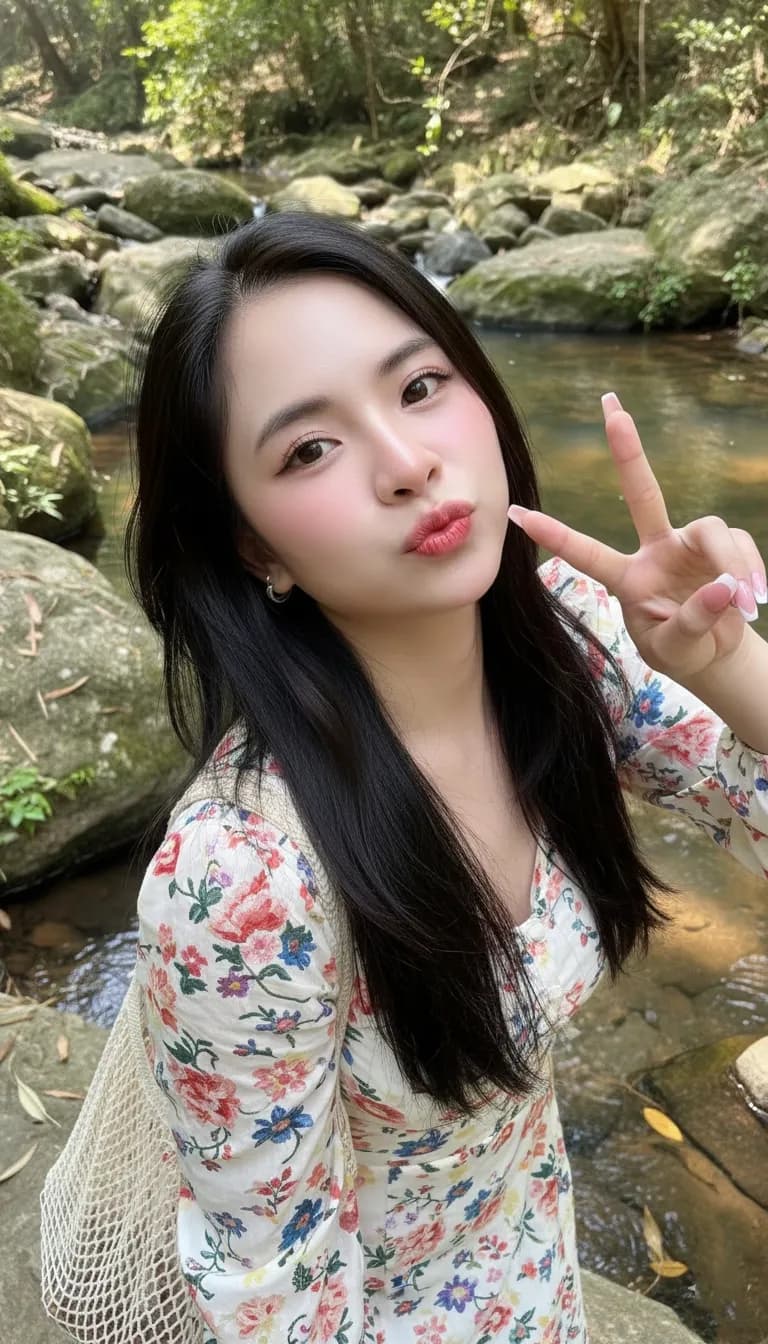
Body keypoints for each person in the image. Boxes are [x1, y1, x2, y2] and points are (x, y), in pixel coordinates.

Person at [127, 212, 768, 1344]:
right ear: (255, 547)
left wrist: (729, 667)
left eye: (420, 387)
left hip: (535, 1260)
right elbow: (273, 1288)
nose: (409, 464)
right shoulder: (242, 880)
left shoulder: (567, 634)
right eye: (309, 449)